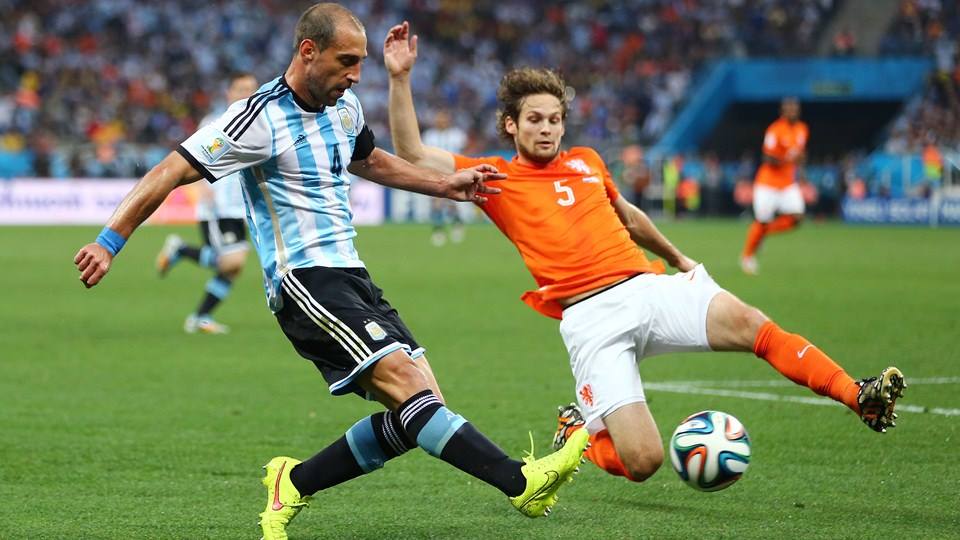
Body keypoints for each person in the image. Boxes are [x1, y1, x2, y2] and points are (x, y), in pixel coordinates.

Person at [73, 5, 590, 539]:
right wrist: (110, 242)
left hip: (352, 274)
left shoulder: (344, 110)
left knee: (421, 412)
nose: (356, 75)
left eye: (361, 63)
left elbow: (369, 160)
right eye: (347, 62)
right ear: (308, 52)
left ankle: (293, 482)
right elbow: (170, 170)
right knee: (414, 395)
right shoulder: (256, 118)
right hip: (303, 280)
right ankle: (520, 483)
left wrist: (441, 185)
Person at [385, 22, 905, 485]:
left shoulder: (588, 161)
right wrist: (401, 77)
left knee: (753, 324)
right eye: (535, 120)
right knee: (643, 463)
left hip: (648, 287)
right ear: (511, 126)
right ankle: (577, 430)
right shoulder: (494, 177)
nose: (546, 129)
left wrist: (678, 259)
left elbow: (628, 216)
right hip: (590, 320)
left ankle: (857, 396)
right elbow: (411, 153)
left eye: (554, 119)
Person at [155, 72, 259, 334]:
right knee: (232, 262)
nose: (247, 94)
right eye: (241, 89)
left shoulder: (259, 125)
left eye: (252, 89)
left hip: (239, 207)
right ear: (229, 94)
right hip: (217, 205)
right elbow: (194, 158)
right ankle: (179, 250)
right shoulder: (215, 122)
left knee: (233, 268)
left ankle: (200, 318)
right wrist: (201, 186)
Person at [740, 97, 808, 275]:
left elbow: (799, 154)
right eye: (789, 108)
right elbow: (767, 158)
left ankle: (762, 234)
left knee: (797, 217)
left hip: (787, 183)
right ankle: (747, 257)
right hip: (767, 183)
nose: (792, 111)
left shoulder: (802, 129)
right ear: (783, 111)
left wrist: (800, 165)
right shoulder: (775, 130)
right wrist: (788, 159)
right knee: (762, 220)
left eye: (795, 108)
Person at [423, 108, 469, 246]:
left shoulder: (457, 135)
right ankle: (438, 230)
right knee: (436, 202)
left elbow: (464, 151)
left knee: (451, 202)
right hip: (435, 173)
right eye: (439, 119)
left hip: (453, 172)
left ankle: (456, 224)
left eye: (444, 119)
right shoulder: (429, 136)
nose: (441, 122)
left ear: (448, 121)